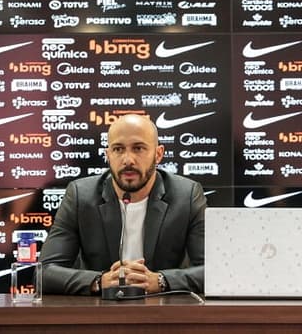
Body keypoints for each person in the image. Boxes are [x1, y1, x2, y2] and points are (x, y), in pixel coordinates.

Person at [40, 114, 206, 295]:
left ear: (158, 154)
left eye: (138, 148)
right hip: (99, 313)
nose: (128, 160)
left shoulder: (187, 196)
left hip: (162, 313)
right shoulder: (81, 195)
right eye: (118, 149)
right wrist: (99, 281)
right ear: (108, 155)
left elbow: (213, 271)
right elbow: (44, 273)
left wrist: (162, 280)